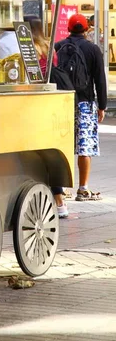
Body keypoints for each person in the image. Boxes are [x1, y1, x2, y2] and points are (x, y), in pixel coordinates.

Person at [55, 13, 107, 202]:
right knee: (85, 146)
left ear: (68, 29)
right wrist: (102, 106)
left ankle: (64, 189)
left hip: (62, 102)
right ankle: (83, 188)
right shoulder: (93, 49)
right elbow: (100, 80)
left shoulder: (59, 46)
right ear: (86, 29)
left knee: (63, 144)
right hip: (85, 103)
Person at [28, 17, 68, 218]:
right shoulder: (49, 47)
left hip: (32, 103)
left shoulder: (29, 49)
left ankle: (52, 197)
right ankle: (58, 200)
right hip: (50, 104)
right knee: (49, 151)